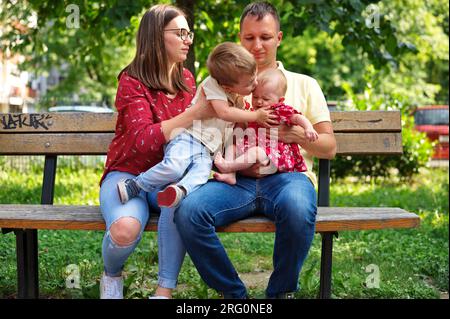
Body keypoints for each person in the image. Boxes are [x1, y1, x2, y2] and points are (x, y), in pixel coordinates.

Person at [174, 1, 337, 299]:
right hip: (236, 180)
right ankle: (235, 295)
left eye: (265, 37)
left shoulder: (305, 84)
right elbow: (202, 135)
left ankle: (277, 294)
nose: (257, 45)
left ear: (279, 38)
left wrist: (293, 134)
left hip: (287, 178)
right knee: (189, 212)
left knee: (298, 207)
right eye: (249, 38)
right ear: (240, 38)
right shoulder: (221, 86)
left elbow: (329, 147)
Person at [98, 4, 215, 299]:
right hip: (128, 175)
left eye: (189, 33)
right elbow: (141, 140)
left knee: (175, 200)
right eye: (180, 33)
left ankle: (163, 292)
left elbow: (194, 134)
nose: (188, 39)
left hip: (167, 176)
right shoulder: (131, 81)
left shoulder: (187, 80)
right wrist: (193, 115)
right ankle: (111, 276)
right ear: (155, 37)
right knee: (124, 229)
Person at [116, 42, 277, 208]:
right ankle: (135, 185)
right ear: (227, 86)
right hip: (188, 138)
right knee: (174, 168)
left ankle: (179, 190)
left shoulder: (236, 96)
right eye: (250, 83)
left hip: (207, 149)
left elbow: (236, 122)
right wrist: (256, 116)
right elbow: (224, 113)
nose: (255, 83)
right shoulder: (212, 85)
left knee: (200, 174)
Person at [213, 68, 319, 185]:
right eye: (255, 97)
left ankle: (228, 166)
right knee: (231, 148)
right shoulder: (253, 112)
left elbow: (297, 117)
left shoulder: (279, 111)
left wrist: (308, 128)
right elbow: (239, 133)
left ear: (280, 100)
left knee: (256, 151)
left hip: (273, 153)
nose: (259, 102)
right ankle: (230, 175)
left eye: (265, 99)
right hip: (252, 152)